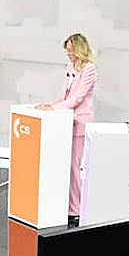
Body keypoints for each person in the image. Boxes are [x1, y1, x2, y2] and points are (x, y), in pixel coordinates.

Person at [36, 33, 97, 225]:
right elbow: (65, 96)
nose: (68, 54)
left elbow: (78, 98)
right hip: (64, 122)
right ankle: (66, 204)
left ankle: (76, 208)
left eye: (71, 50)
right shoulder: (70, 67)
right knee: (64, 165)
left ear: (79, 49)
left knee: (74, 167)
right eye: (67, 50)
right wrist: (50, 105)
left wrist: (54, 108)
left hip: (80, 121)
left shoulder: (89, 69)